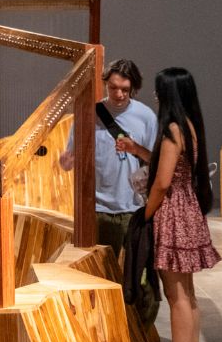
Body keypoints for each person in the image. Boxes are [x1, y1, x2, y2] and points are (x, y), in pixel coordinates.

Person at [139, 67, 221, 342]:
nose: (156, 96)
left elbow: (161, 182)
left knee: (176, 297)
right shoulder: (190, 125)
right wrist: (139, 152)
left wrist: (145, 214)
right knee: (187, 293)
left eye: (159, 91)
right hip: (189, 212)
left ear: (170, 94)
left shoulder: (172, 129)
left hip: (173, 215)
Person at [59, 58, 158, 256]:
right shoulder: (88, 115)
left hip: (135, 207)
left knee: (135, 275)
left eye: (125, 89)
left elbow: (156, 161)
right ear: (105, 84)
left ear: (133, 88)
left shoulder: (145, 116)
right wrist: (66, 162)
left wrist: (136, 149)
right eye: (113, 88)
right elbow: (69, 160)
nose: (119, 94)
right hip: (97, 209)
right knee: (101, 273)